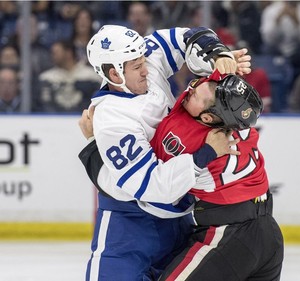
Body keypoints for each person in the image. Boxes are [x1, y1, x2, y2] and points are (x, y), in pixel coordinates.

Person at [78, 24, 250, 280]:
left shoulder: (142, 63)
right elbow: (154, 186)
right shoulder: (113, 119)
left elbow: (185, 37)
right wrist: (206, 153)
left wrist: (217, 56)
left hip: (180, 221)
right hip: (129, 225)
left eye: (143, 61)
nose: (147, 69)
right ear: (115, 74)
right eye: (137, 67)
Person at [149, 71, 284, 280]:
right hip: (269, 235)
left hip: (229, 236)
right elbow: (213, 82)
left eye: (195, 96)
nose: (190, 90)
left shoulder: (183, 136)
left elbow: (151, 180)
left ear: (207, 117)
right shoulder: (237, 119)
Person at [35, 39, 101, 112]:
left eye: (56, 52)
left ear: (68, 53)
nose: (52, 56)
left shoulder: (91, 76)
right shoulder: (46, 77)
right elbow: (44, 105)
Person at [260, 1, 300, 83]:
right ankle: (270, 81)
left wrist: (296, 21)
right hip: (278, 51)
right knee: (267, 47)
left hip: (298, 52)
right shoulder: (271, 10)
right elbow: (268, 39)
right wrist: (277, 21)